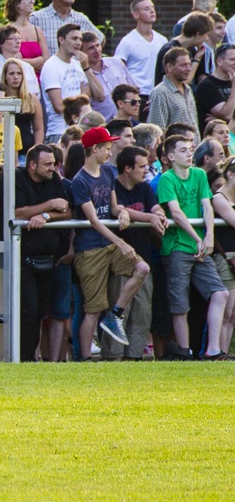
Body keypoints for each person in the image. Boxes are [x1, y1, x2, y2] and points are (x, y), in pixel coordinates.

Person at [71, 126, 151, 358]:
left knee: (142, 268)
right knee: (93, 310)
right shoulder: (80, 181)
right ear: (94, 149)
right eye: (106, 148)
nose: (110, 152)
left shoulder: (107, 171)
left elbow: (114, 206)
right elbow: (94, 221)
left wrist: (123, 212)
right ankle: (85, 359)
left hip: (108, 245)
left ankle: (115, 314)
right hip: (90, 250)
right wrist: (121, 243)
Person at [158, 134, 230, 359]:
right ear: (170, 156)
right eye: (183, 150)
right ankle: (185, 352)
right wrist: (198, 238)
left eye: (190, 149)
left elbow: (207, 206)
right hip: (177, 246)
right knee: (180, 304)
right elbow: (176, 213)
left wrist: (209, 236)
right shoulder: (167, 179)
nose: (189, 154)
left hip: (199, 247)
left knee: (220, 292)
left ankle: (213, 349)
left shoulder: (199, 175)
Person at [108, 146, 167, 360]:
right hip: (121, 260)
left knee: (143, 312)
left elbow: (154, 207)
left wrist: (158, 214)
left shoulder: (144, 187)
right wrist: (150, 217)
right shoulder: (113, 187)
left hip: (144, 258)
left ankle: (134, 357)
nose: (146, 171)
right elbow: (119, 210)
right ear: (127, 168)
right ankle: (113, 357)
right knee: (119, 310)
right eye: (141, 167)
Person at [14, 144, 71, 361]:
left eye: (54, 164)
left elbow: (67, 212)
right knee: (28, 310)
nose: (52, 168)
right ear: (32, 165)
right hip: (22, 258)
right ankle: (24, 358)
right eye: (47, 164)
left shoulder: (54, 179)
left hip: (49, 259)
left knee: (40, 312)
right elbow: (17, 213)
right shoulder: (17, 178)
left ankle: (33, 357)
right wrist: (49, 205)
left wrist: (45, 217)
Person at [40, 24, 104, 144]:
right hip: (60, 131)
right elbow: (59, 106)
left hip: (81, 129)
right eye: (74, 39)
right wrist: (82, 99)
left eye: (80, 39)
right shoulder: (51, 66)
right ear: (61, 40)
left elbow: (98, 95)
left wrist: (86, 68)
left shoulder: (78, 64)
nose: (78, 43)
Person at [113, 0, 168, 109]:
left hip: (159, 93)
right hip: (138, 95)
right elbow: (117, 68)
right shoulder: (127, 41)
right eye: (147, 9)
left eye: (153, 7)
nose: (152, 11)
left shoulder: (163, 40)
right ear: (136, 15)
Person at [29, 0, 103, 56]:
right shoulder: (37, 18)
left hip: (74, 64)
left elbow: (101, 39)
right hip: (48, 63)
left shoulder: (81, 18)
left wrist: (87, 57)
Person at [208, 156, 235, 354]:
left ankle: (224, 353)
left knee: (233, 315)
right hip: (226, 258)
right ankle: (219, 353)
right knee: (226, 311)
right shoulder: (219, 198)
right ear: (230, 175)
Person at [148, 47, 200, 141]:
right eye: (183, 65)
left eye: (189, 64)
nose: (189, 69)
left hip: (193, 148)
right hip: (175, 148)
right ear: (169, 67)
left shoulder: (188, 89)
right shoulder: (160, 92)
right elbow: (156, 131)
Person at [81, 32, 135, 121]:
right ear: (82, 53)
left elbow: (134, 89)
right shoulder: (82, 74)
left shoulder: (116, 62)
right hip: (104, 124)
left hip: (127, 121)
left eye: (97, 45)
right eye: (91, 48)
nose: (97, 50)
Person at [154, 12, 213, 87]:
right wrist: (196, 60)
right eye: (207, 35)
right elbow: (183, 83)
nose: (207, 39)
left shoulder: (193, 50)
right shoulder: (169, 50)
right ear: (198, 34)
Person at [0, 25, 40, 97]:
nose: (18, 41)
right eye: (13, 38)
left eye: (19, 38)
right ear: (1, 43)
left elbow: (37, 95)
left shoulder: (28, 67)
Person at [4, 0, 49, 72]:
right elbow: (9, 63)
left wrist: (22, 61)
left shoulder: (37, 31)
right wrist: (38, 60)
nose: (32, 2)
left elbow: (46, 62)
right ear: (17, 3)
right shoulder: (7, 31)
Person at [2, 57, 44, 151]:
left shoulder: (32, 98)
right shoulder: (0, 99)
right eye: (11, 73)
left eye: (19, 73)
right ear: (5, 76)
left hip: (27, 149)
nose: (16, 77)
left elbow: (39, 129)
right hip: (5, 149)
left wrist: (36, 151)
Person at [195, 43, 235, 135]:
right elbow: (227, 115)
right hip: (214, 140)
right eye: (232, 59)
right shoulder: (207, 86)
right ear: (219, 61)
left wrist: (221, 120)